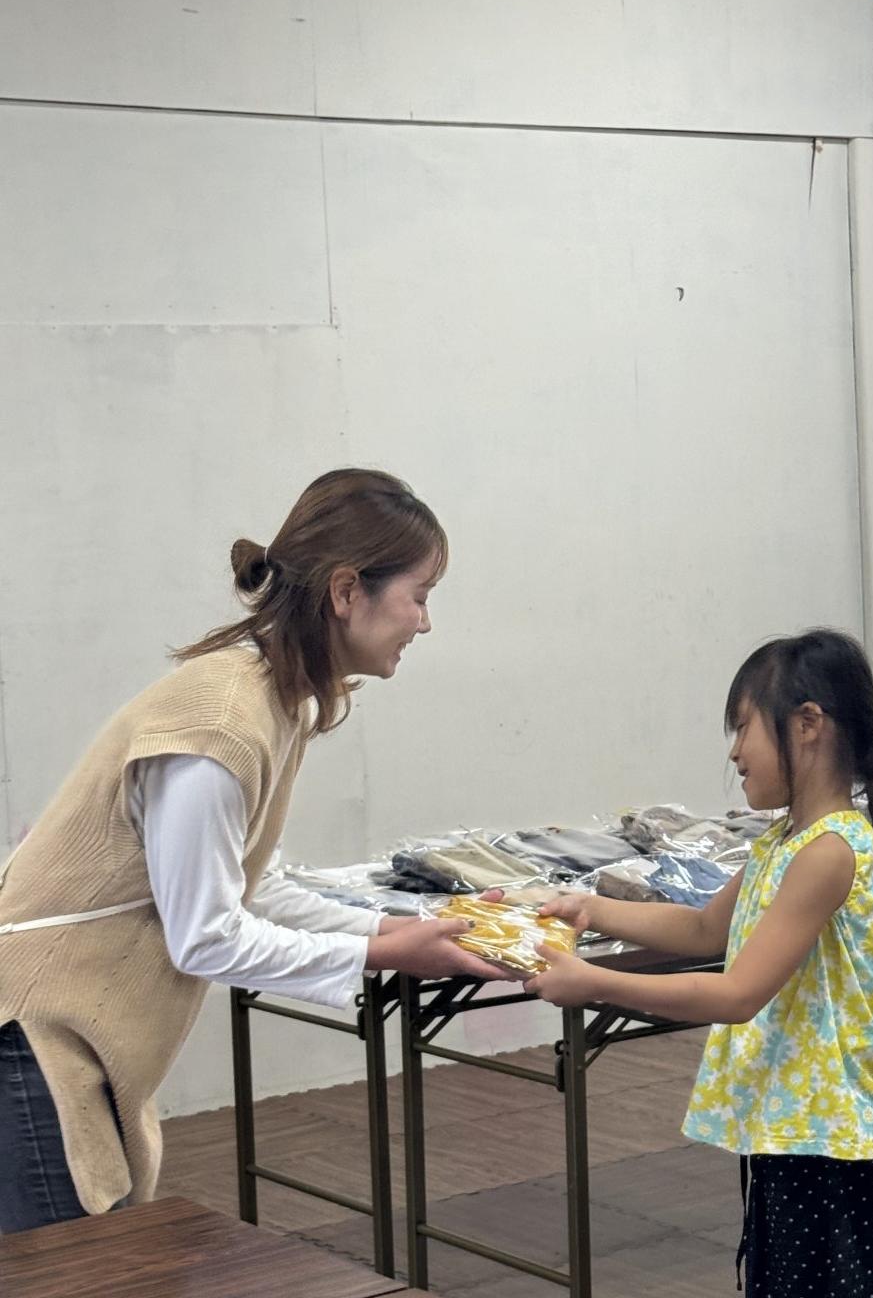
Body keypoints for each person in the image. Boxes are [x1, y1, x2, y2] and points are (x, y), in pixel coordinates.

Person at [0, 468, 507, 1234]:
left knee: (92, 1285)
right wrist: (380, 954)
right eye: (421, 595)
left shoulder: (273, 698)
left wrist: (398, 932)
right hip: (32, 1041)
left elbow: (252, 887)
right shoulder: (223, 720)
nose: (424, 623)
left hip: (69, 1043)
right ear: (346, 590)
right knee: (74, 1294)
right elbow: (205, 936)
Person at [527, 630, 873, 1298]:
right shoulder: (782, 843)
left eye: (742, 726)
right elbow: (702, 930)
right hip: (810, 1142)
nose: (733, 752)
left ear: (807, 724)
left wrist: (591, 983)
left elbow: (736, 992)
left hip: (851, 1152)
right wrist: (588, 909)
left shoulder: (829, 852)